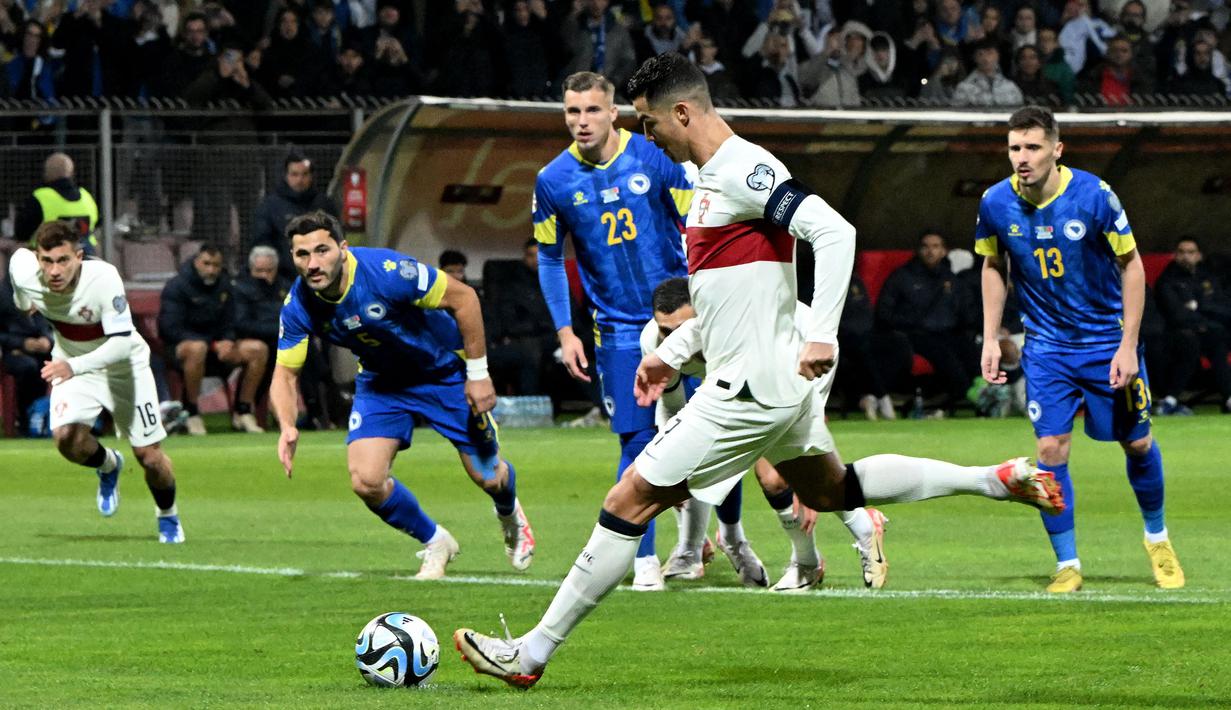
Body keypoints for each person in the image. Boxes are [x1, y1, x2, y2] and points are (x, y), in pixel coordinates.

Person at [455, 53, 1063, 688]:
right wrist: (671, 353)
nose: (646, 135)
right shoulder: (708, 179)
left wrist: (822, 332)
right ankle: (991, 480)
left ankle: (530, 653)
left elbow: (834, 232)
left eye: (649, 122)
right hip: (773, 383)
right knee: (832, 491)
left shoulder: (743, 168)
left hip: (745, 388)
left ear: (681, 113)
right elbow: (728, 300)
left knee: (627, 499)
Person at [978, 105, 1185, 593]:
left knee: (1137, 443)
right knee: (1050, 449)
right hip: (1046, 348)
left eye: (1032, 147)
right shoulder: (995, 202)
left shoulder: (1094, 196)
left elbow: (1132, 266)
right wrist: (991, 337)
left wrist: (1127, 345)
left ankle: (1157, 538)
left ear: (1057, 149)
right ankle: (1067, 563)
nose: (1022, 157)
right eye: (1014, 148)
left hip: (1105, 342)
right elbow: (993, 266)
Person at [269, 210, 535, 579]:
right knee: (366, 480)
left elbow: (464, 299)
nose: (313, 264)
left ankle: (509, 514)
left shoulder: (388, 272)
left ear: (342, 249)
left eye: (322, 251)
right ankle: (436, 541)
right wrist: (287, 425)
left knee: (489, 477)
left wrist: (478, 375)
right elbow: (285, 374)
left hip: (443, 373)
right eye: (302, 255)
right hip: (383, 383)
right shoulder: (299, 305)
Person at [532, 71, 696, 590]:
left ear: (613, 113)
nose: (582, 121)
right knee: (636, 438)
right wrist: (566, 331)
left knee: (707, 430)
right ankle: (644, 560)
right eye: (572, 112)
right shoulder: (553, 180)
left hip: (681, 320)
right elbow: (550, 258)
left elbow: (696, 224)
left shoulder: (653, 155)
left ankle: (716, 541)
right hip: (618, 327)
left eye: (591, 110)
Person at [645, 277, 889, 592]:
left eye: (682, 329)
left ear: (705, 314)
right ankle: (842, 539)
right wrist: (673, 467)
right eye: (666, 331)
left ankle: (811, 560)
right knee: (772, 476)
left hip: (804, 354)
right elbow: (672, 407)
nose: (673, 340)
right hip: (739, 379)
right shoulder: (655, 344)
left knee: (783, 477)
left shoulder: (740, 330)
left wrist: (803, 474)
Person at [8, 221, 183, 542]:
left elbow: (120, 343)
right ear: (37, 258)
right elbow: (17, 278)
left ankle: (168, 515)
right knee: (66, 440)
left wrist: (72, 366)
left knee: (149, 457)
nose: (55, 270)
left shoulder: (103, 278)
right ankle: (109, 465)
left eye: (63, 260)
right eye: (47, 261)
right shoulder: (24, 268)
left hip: (124, 367)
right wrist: (23, 302)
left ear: (78, 257)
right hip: (73, 364)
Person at [158, 244, 268, 435]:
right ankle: (192, 412)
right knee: (197, 348)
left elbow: (232, 320)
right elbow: (169, 328)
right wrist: (212, 344)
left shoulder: (225, 285)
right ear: (196, 262)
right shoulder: (177, 286)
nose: (211, 270)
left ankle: (243, 411)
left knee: (258, 349)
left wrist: (229, 340)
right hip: (183, 348)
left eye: (216, 265)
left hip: (218, 348)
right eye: (206, 264)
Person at [877, 231, 981, 414]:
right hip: (915, 334)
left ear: (944, 251)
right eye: (925, 247)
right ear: (918, 250)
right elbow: (884, 313)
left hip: (949, 333)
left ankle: (984, 391)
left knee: (970, 350)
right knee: (945, 356)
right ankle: (972, 396)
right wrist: (911, 322)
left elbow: (967, 312)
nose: (930, 251)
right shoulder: (902, 277)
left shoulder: (951, 279)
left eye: (935, 246)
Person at [1155, 237, 1231, 412]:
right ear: (1175, 255)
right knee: (1191, 343)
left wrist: (1199, 305)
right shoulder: (1167, 280)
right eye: (1181, 252)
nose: (1185, 256)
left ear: (1199, 255)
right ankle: (1170, 399)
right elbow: (1176, 314)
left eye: (1190, 252)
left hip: (1211, 330)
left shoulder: (1209, 278)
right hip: (1179, 333)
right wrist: (1204, 314)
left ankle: (1228, 398)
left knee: (1218, 344)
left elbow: (1225, 308)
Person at [251, 151, 340, 283]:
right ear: (286, 176)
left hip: (320, 274)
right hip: (283, 278)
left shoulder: (324, 204)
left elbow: (336, 236)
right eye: (294, 174)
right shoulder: (271, 206)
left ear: (311, 176)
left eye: (304, 174)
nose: (299, 180)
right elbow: (262, 240)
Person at [15, 153, 100, 257]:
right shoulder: (87, 197)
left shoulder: (41, 197)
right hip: (85, 256)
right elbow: (95, 225)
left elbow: (21, 233)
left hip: (49, 259)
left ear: (46, 173)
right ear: (71, 172)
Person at [0, 271, 53, 434]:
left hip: (41, 350)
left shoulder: (41, 291)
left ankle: (52, 418)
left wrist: (47, 339)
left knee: (57, 363)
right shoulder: (3, 295)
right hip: (12, 351)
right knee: (28, 367)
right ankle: (25, 419)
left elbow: (51, 323)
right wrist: (22, 343)